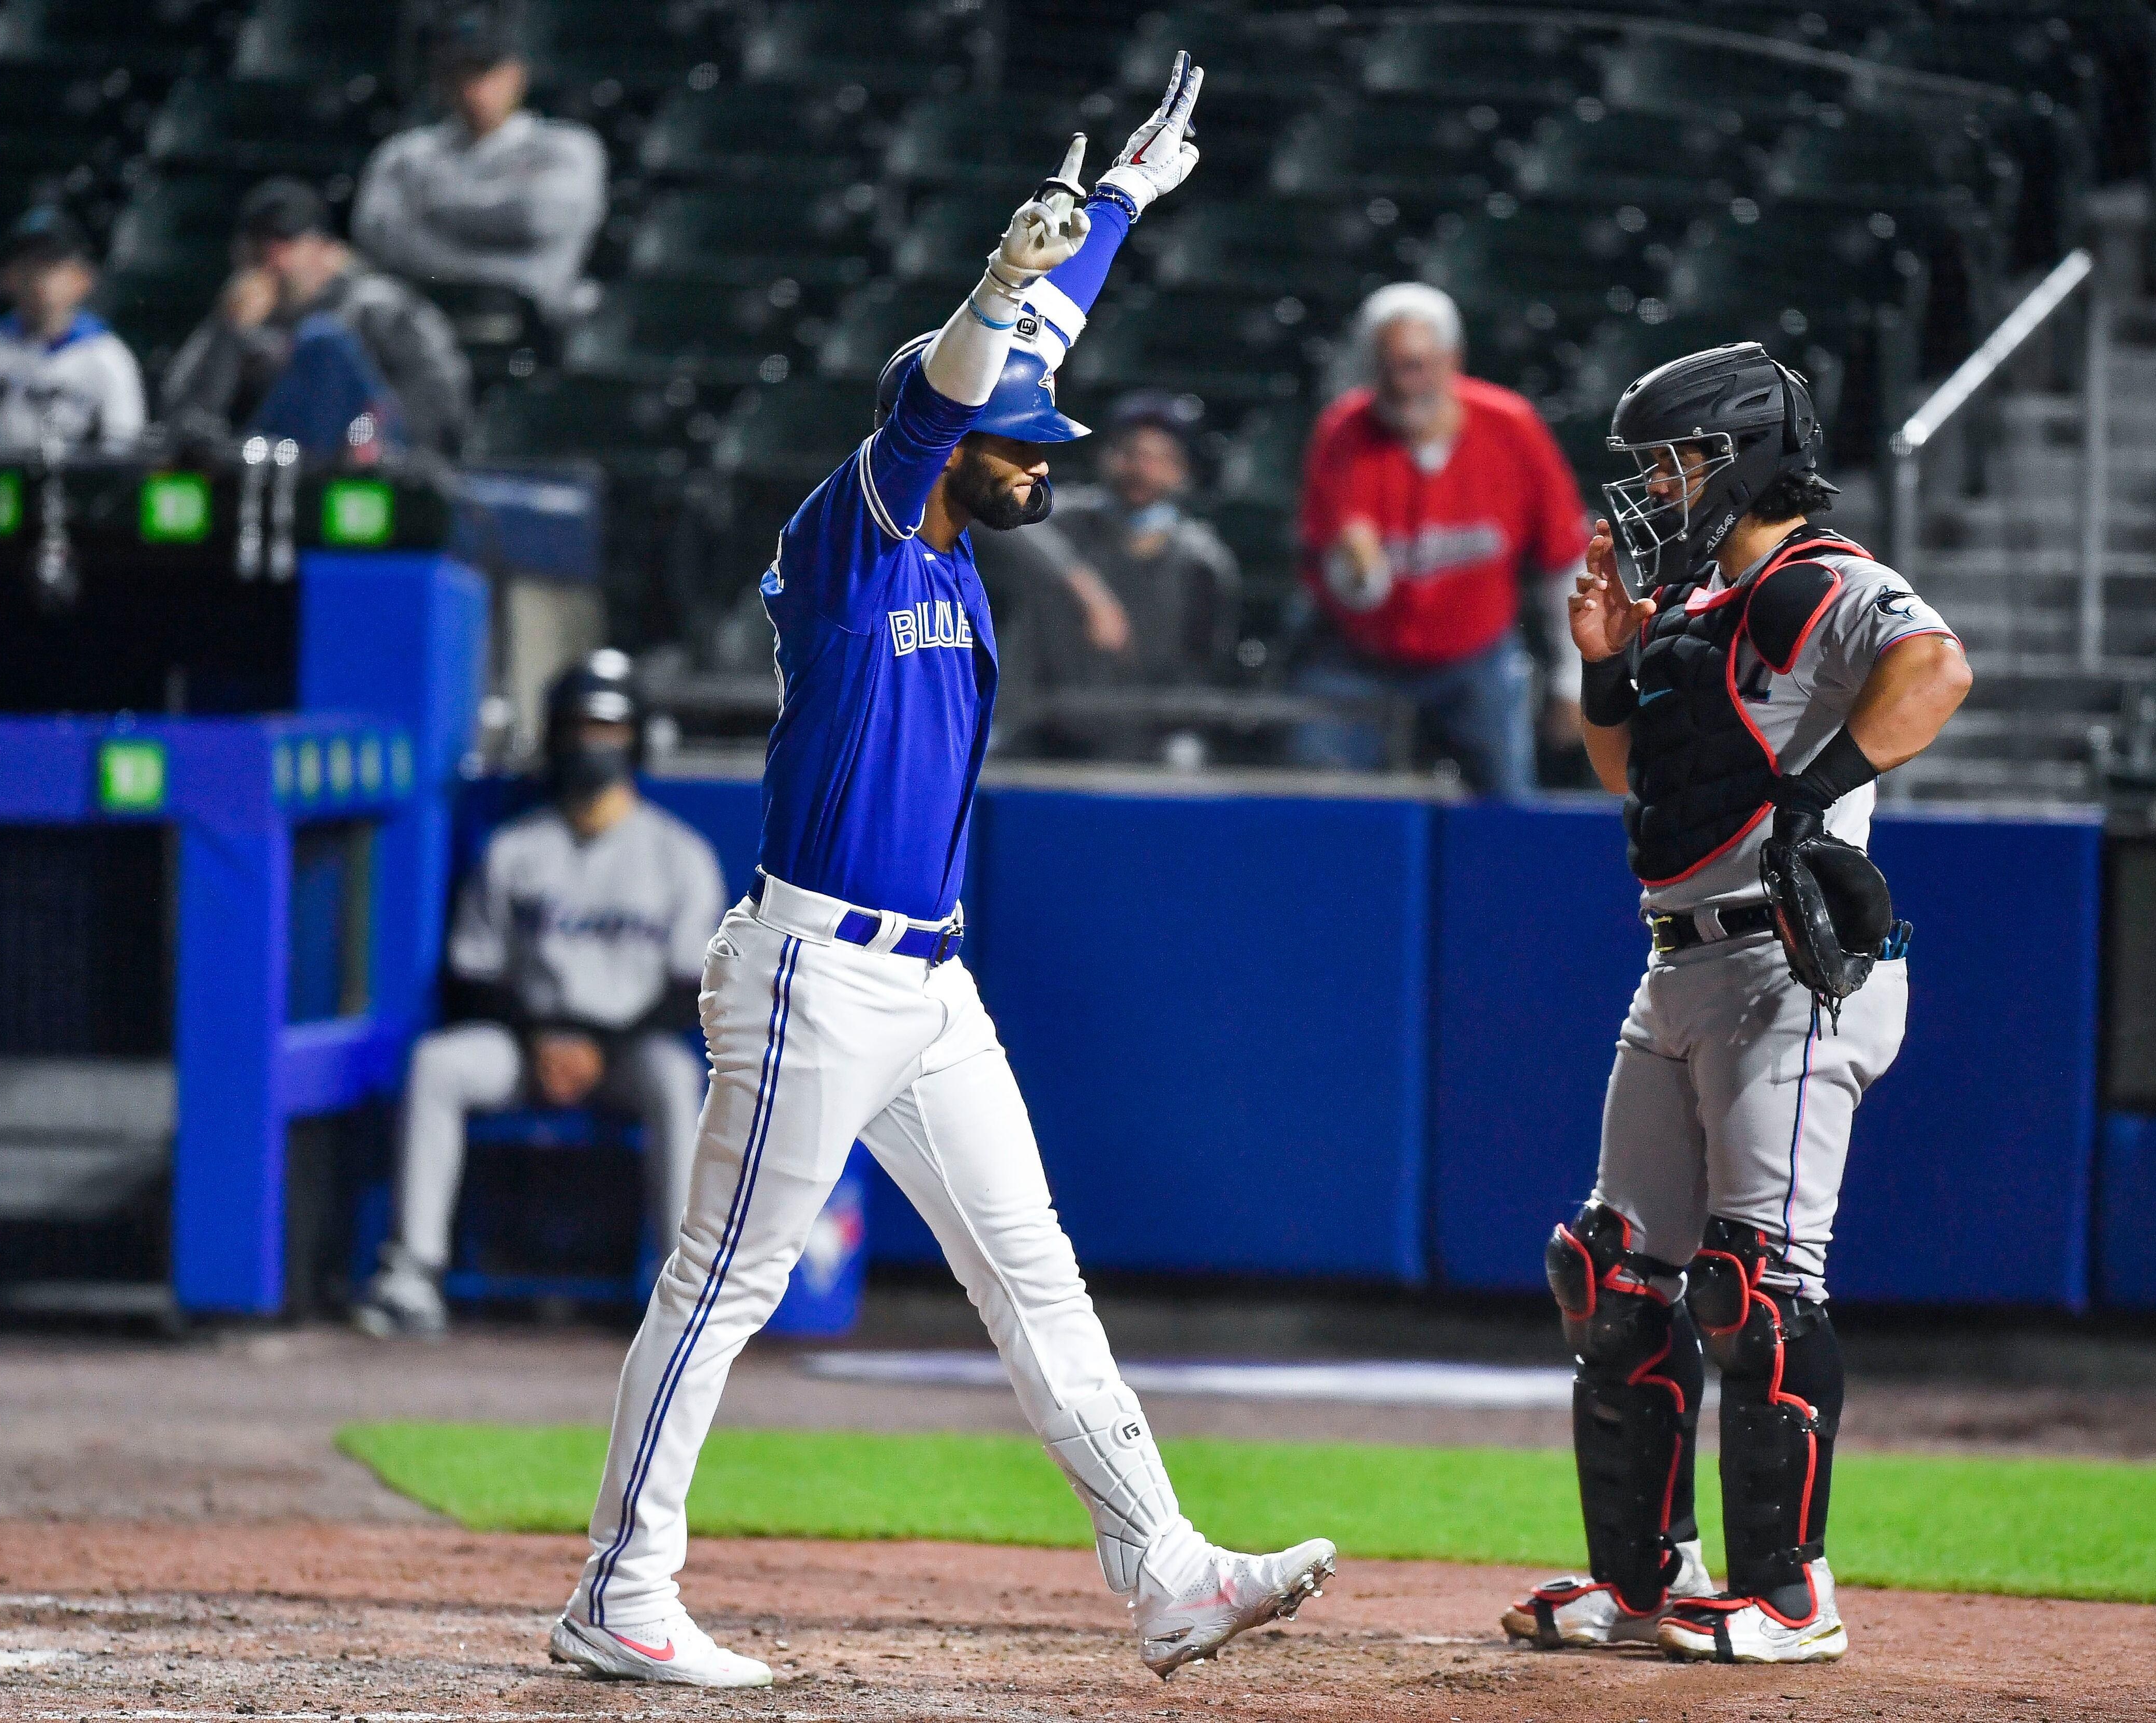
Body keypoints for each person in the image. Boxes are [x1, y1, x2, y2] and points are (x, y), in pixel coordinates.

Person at [546, 59, 1334, 1692]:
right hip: (815, 972)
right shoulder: (864, 526)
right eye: (1021, 445)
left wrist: (1122, 205)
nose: (1046, 461)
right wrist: (991, 283)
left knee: (1031, 1270)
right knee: (725, 1284)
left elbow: (1020, 356)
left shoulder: (956, 527)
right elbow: (943, 396)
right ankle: (620, 1593)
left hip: (924, 983)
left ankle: (1170, 1572)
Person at [1498, 344, 1970, 1664]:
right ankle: (1641, 1583)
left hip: (1787, 968)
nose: (1656, 485)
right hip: (1680, 960)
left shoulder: (1822, 577)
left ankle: (1791, 1594)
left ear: (1744, 453)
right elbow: (1640, 780)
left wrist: (1816, 794)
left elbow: (1936, 672)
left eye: (1676, 460)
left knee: (1752, 1288)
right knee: (1612, 1275)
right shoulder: (1698, 598)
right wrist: (1603, 665)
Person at [354, 652, 725, 1340]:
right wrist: (542, 1041)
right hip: (526, 1045)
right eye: (580, 726)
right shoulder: (515, 849)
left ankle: (687, 1291)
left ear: (637, 739)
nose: (593, 744)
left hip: (625, 1050)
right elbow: (472, 976)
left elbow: (688, 990)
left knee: (678, 1080)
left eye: (609, 729)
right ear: (555, 735)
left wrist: (597, 1047)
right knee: (439, 1064)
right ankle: (412, 1272)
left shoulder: (680, 855)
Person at [1286, 282, 1591, 796]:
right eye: (1389, 368)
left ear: (1453, 360)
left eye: (1417, 366)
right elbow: (1332, 577)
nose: (1404, 385)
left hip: (1476, 658)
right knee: (1319, 810)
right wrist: (1358, 575)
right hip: (1360, 658)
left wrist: (1573, 681)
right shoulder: (1343, 431)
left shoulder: (1510, 427)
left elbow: (1567, 561)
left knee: (1509, 808)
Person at [986, 388, 1239, 759]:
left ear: (1183, 471)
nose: (1142, 469)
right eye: (1130, 453)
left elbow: (1203, 673)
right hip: (1044, 724)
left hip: (1147, 738)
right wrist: (1083, 585)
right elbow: (992, 506)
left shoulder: (1201, 561)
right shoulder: (1065, 520)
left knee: (1186, 757)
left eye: (1160, 459)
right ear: (1105, 456)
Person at [161, 178, 473, 459]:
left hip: (371, 467)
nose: (271, 258)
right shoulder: (235, 317)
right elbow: (187, 419)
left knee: (322, 340)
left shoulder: (377, 305)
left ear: (327, 251)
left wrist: (375, 439)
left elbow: (442, 397)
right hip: (271, 462)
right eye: (259, 243)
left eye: (285, 243)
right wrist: (228, 332)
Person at [352, 6, 608, 326]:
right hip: (428, 320)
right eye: (459, 74)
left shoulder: (568, 147)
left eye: (485, 72)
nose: (473, 89)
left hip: (532, 325)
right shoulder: (407, 153)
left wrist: (435, 210)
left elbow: (536, 218)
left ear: (516, 74)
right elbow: (379, 235)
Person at [0, 207, 145, 453]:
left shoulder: (107, 356)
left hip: (81, 487)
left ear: (81, 279)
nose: (36, 275)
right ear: (6, 276)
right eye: (26, 263)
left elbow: (122, 449)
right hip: (3, 484)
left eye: (50, 264)